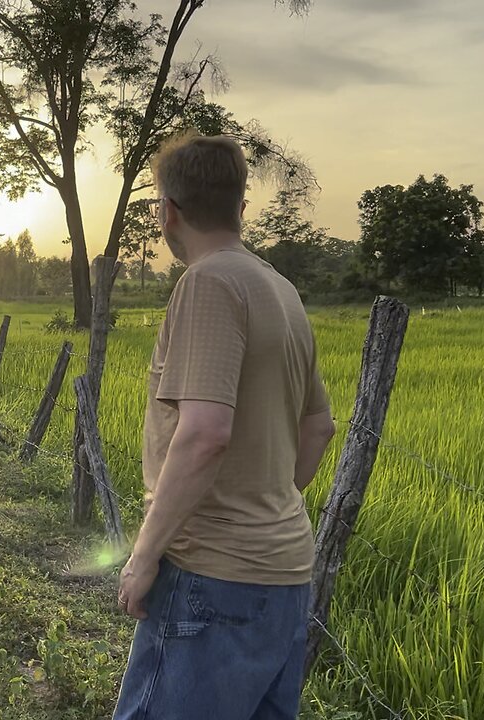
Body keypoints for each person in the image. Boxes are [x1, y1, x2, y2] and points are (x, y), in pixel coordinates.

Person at [112, 133, 337, 720]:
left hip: (212, 577)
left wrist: (143, 558)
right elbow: (319, 426)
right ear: (241, 207)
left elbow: (205, 434)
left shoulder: (208, 284)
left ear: (169, 212)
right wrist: (263, 509)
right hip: (285, 575)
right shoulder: (281, 290)